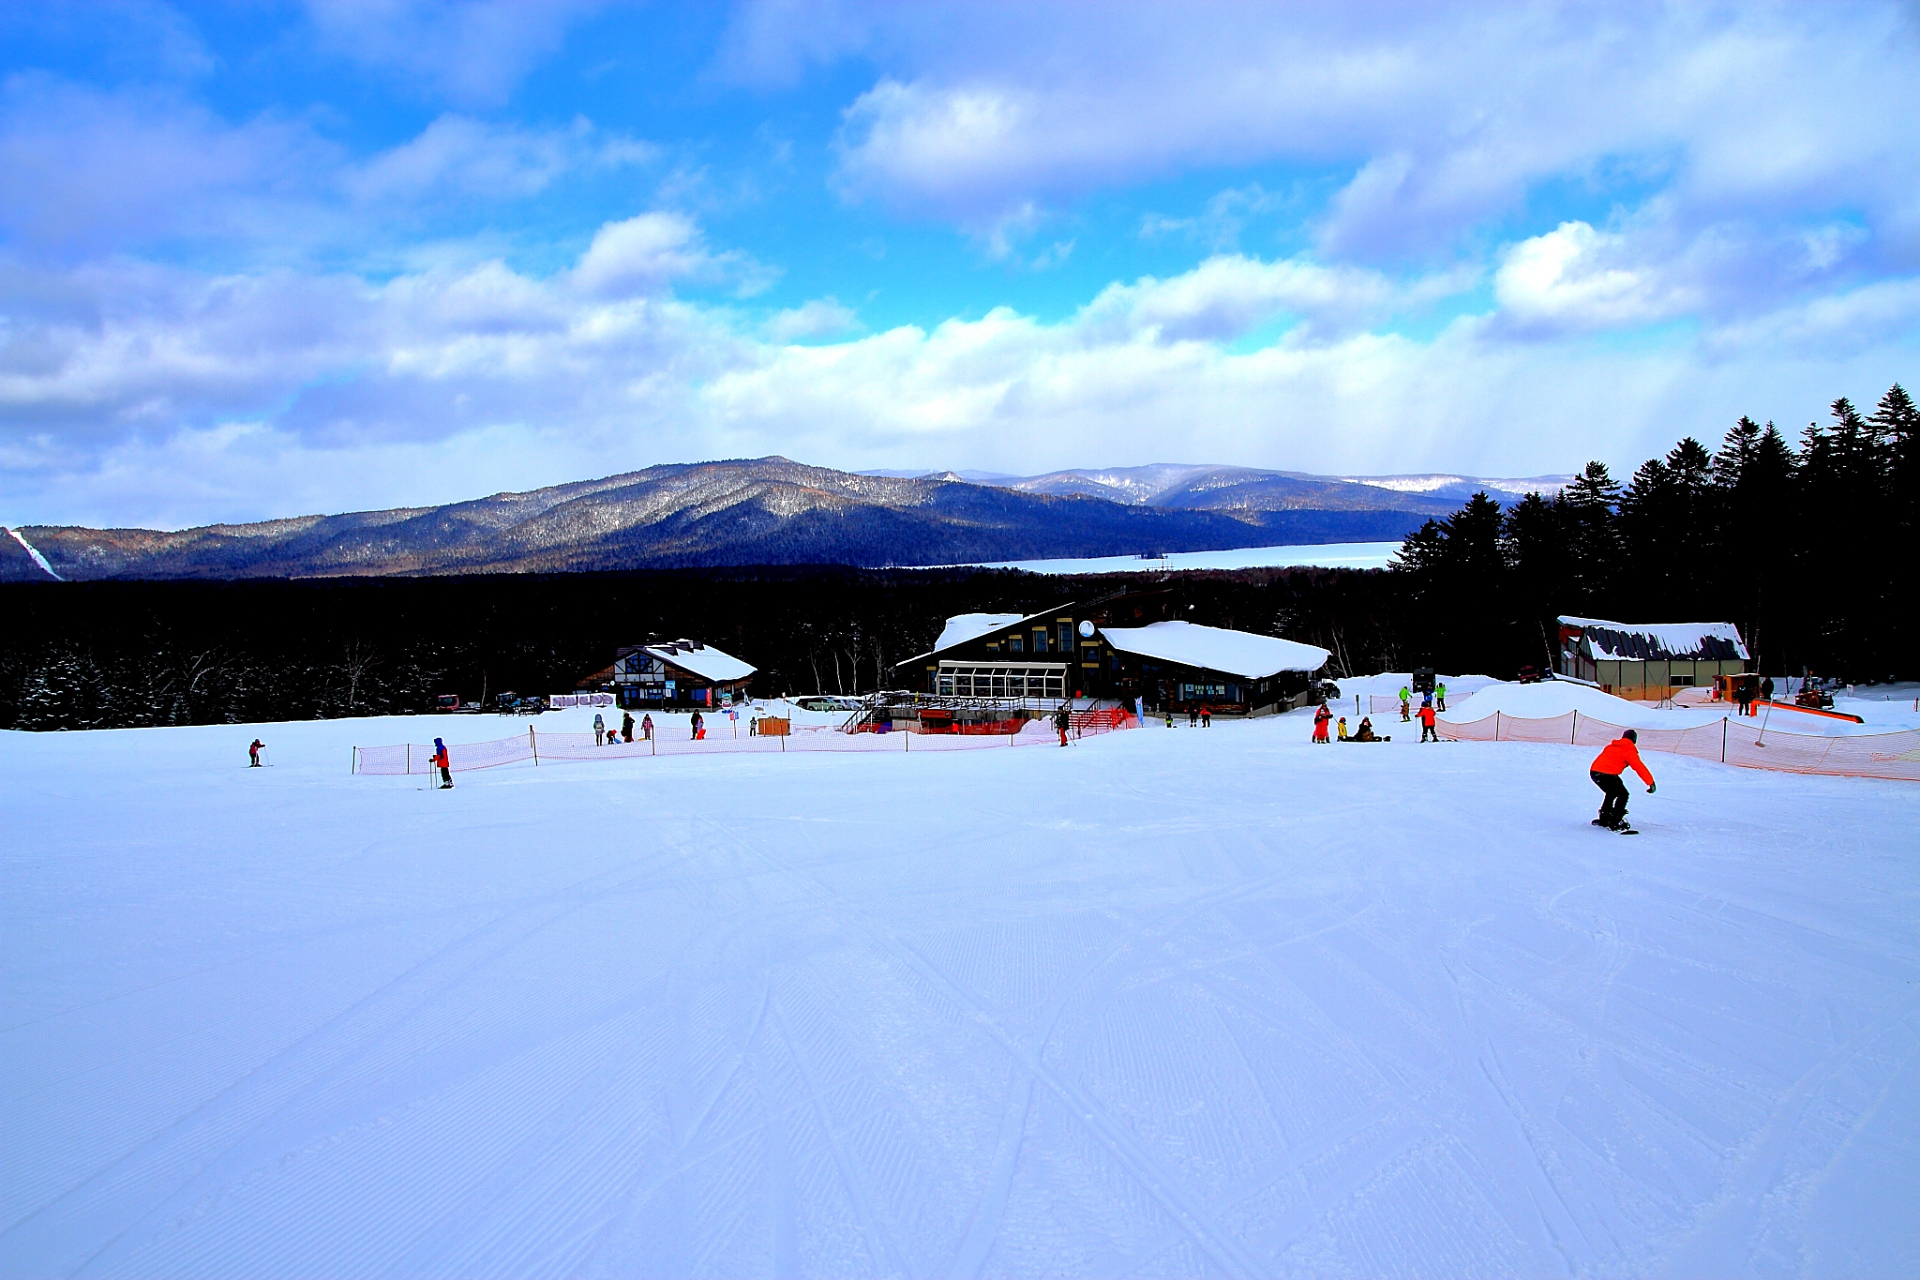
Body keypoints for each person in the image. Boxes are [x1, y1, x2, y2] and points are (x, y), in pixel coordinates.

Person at [1590, 728, 1655, 830]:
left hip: (1594, 772)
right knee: (1623, 794)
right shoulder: (1629, 749)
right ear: (1634, 740)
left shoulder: (1611, 746)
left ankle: (1605, 818)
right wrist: (1650, 782)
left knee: (1612, 792)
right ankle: (1615, 821)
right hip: (1607, 774)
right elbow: (1639, 767)